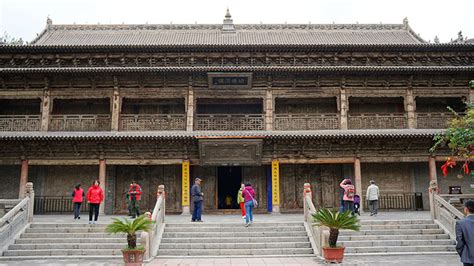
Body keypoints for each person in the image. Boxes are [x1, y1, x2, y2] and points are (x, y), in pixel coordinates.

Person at [456, 200, 474, 266]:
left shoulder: (460, 223)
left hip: (467, 256)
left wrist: (462, 253)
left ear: (466, 209)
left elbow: (460, 241)